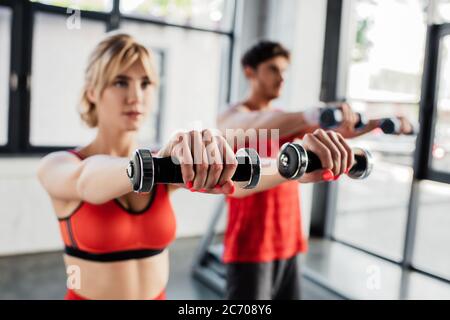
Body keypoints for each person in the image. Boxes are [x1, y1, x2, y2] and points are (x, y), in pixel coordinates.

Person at [37, 33, 354, 300]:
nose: (136, 96)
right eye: (121, 82)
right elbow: (87, 181)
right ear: (93, 92)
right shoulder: (60, 165)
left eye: (146, 83)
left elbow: (238, 183)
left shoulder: (163, 164)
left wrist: (290, 166)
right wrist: (160, 159)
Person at [218, 40, 414, 300]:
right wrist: (313, 114)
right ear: (249, 71)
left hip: (288, 240)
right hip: (252, 246)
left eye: (284, 71)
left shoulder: (285, 117)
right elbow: (252, 124)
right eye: (273, 69)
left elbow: (337, 132)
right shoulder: (235, 115)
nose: (281, 78)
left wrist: (382, 122)